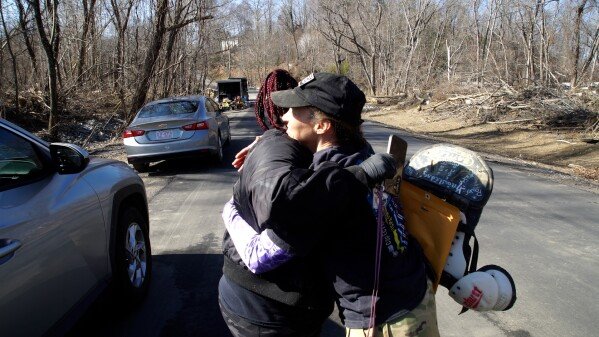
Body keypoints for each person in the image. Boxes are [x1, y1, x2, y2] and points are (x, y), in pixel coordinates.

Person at [222, 72, 440, 336]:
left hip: (385, 322)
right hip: (415, 294)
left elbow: (260, 254)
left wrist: (231, 210)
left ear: (323, 125)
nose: (284, 116)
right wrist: (265, 143)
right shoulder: (360, 151)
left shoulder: (328, 186)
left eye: (294, 110)